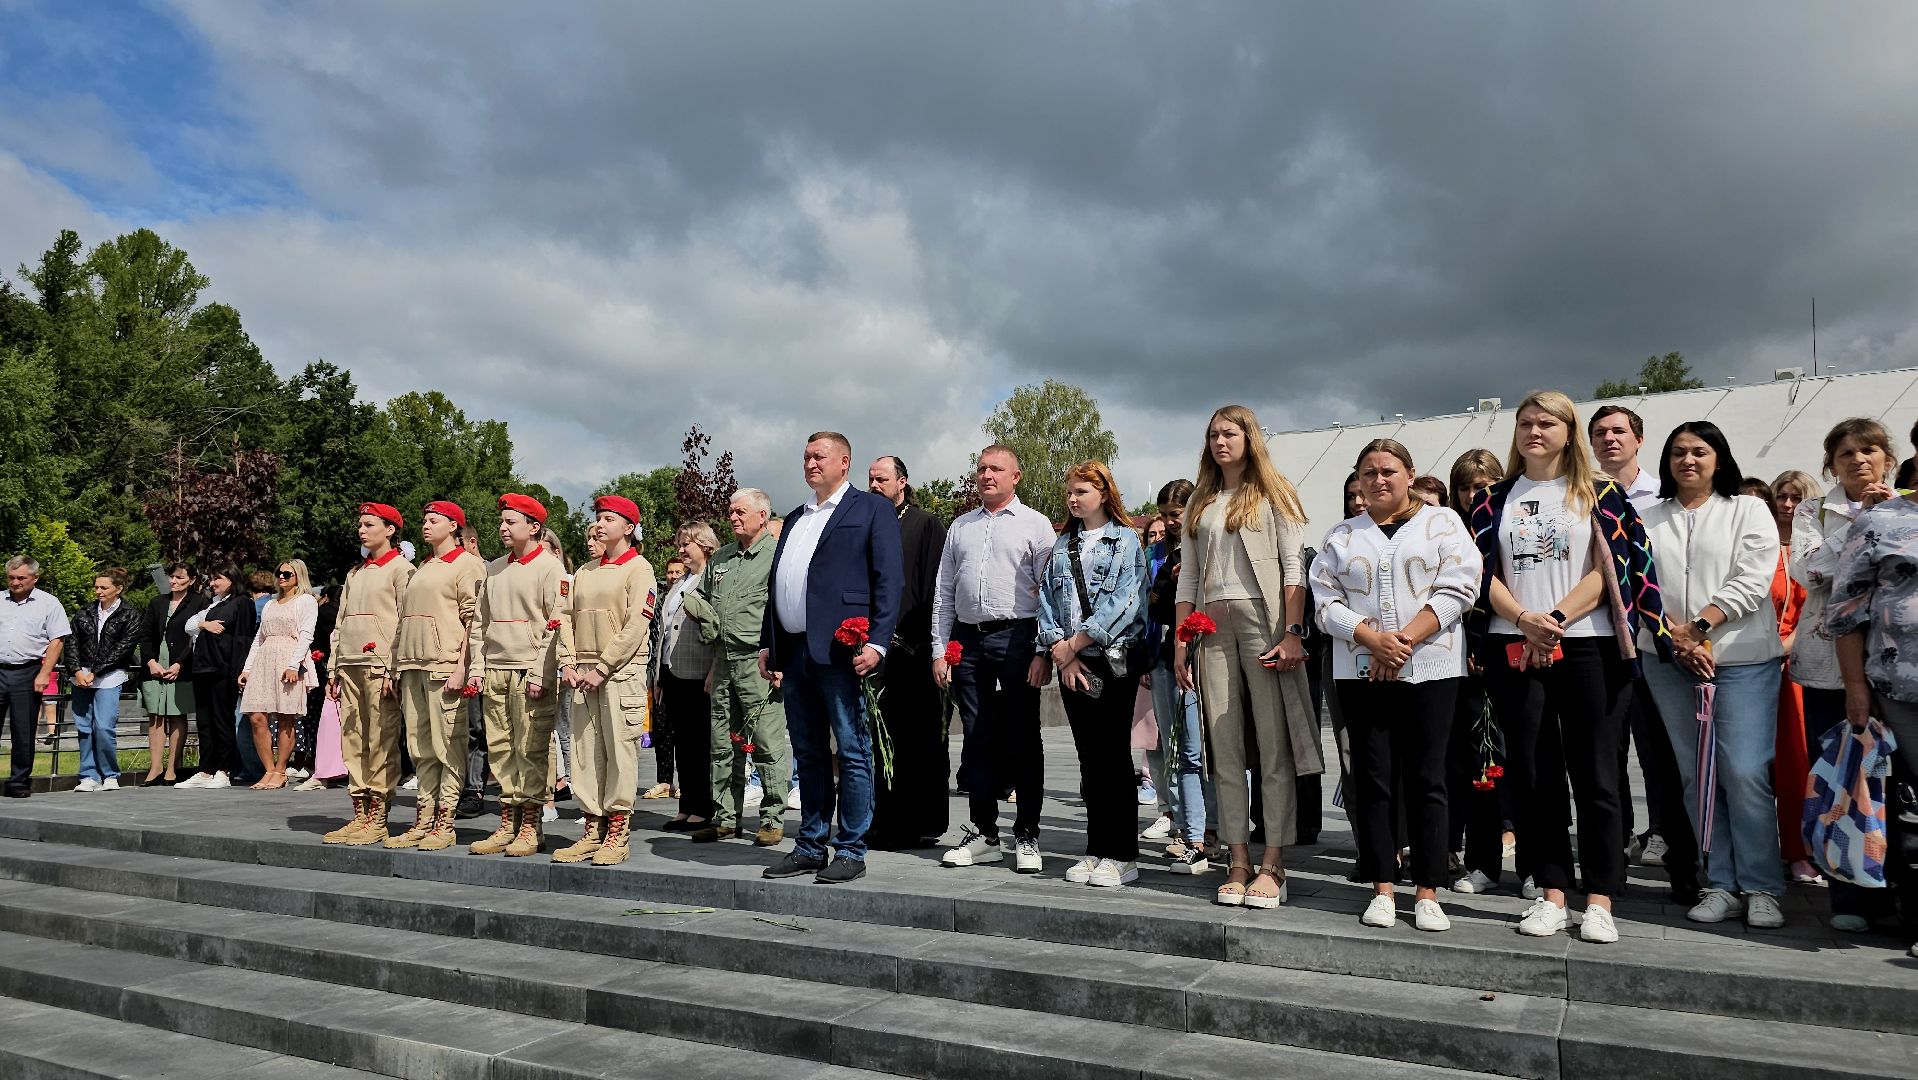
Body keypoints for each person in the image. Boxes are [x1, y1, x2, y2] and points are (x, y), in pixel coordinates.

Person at [1469, 391, 1671, 945]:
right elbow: (1478, 573)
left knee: (1597, 774)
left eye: (1547, 422)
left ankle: (1600, 897)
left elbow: (1615, 568)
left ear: (1568, 430)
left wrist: (1554, 619)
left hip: (1589, 646)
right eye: (1525, 423)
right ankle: (1552, 891)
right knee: (1534, 776)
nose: (1534, 431)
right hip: (1514, 646)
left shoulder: (1601, 493)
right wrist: (1523, 619)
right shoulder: (1491, 499)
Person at [1313, 441, 1481, 931]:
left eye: (1388, 470)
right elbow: (1324, 601)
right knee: (1373, 778)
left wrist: (1402, 642)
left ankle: (1428, 890)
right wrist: (1371, 639)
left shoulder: (1442, 523)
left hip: (1431, 667)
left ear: (1410, 474)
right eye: (1368, 473)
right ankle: (1383, 886)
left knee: (1429, 777)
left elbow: (1460, 586)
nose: (1378, 480)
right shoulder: (1342, 535)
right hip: (1361, 671)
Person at [1174, 404, 1326, 910]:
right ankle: (1237, 858)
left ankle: (1273, 862)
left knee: (1273, 742)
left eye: (1230, 433)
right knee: (1224, 745)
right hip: (1210, 627)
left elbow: (1293, 568)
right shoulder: (1200, 500)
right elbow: (1188, 576)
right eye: (1213, 434)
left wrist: (1293, 632)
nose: (1220, 442)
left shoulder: (1274, 491)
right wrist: (1180, 641)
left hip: (1265, 622)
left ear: (1249, 438)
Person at [1639, 423, 1786, 927]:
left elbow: (1752, 579)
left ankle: (1762, 885)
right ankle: (1721, 882)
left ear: (1719, 458)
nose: (1688, 460)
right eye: (1678, 452)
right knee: (1696, 775)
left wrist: (1699, 628)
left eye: (1699, 452)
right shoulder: (1647, 517)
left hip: (1742, 660)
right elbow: (1637, 586)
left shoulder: (1747, 509)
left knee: (1744, 771)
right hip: (1669, 663)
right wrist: (1673, 640)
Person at [760, 431, 904, 884]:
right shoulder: (796, 517)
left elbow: (889, 579)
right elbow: (779, 583)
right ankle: (810, 845)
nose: (810, 463)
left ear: (844, 462)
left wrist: (877, 642)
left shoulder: (871, 509)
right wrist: (769, 642)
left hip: (843, 650)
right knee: (808, 752)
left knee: (853, 750)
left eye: (819, 456)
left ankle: (851, 848)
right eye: (806, 456)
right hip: (795, 649)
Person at [1789, 418, 1899, 932]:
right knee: (1840, 779)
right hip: (1829, 667)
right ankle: (1848, 895)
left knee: (1896, 782)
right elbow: (1807, 572)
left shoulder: (1908, 507)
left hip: (1897, 665)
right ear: (1831, 465)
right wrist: (1862, 526)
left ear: (1887, 459)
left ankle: (1896, 892)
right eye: (1846, 453)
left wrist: (1886, 515)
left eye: (1869, 450)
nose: (1859, 460)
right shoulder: (1813, 511)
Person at [933, 445, 1057, 873]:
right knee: (976, 736)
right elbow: (944, 592)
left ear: (1015, 476)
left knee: (1024, 736)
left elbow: (1051, 594)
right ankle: (984, 833)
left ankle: (1027, 833)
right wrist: (939, 649)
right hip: (968, 640)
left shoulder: (1036, 524)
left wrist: (1043, 651)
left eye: (996, 469)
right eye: (982, 468)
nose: (987, 475)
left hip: (1018, 635)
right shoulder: (960, 526)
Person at [1591, 406, 1697, 895]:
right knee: (1606, 756)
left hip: (1656, 645)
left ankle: (1677, 855)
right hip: (1601, 645)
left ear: (1639, 439)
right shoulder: (1581, 495)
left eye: (1619, 431)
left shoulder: (1663, 498)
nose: (1609, 439)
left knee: (1663, 756)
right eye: (1599, 433)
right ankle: (1612, 852)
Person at [1040, 461, 1150, 887]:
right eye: (1070, 491)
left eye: (1082, 491)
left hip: (1111, 659)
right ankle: (1096, 847)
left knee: (1113, 755)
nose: (1073, 498)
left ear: (1104, 494)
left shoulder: (1124, 541)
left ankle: (1122, 854)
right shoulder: (1063, 543)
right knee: (1088, 756)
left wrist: (1076, 643)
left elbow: (1127, 601)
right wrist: (1062, 653)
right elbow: (1047, 600)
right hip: (1071, 661)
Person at [1826, 462, 1918, 958]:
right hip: (1900, 688)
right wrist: (1855, 687)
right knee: (1910, 807)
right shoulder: (1880, 521)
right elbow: (1846, 612)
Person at [551, 495, 657, 865]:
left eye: (608, 518)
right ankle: (592, 827)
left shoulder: (639, 569)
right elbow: (564, 616)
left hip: (619, 674)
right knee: (584, 754)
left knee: (619, 752)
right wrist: (568, 661)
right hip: (582, 673)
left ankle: (617, 832)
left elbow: (636, 624)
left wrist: (603, 667)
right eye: (598, 517)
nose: (599, 524)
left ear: (628, 527)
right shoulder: (584, 571)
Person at [683, 490, 790, 846]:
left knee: (766, 743)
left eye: (741, 511)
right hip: (723, 661)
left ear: (763, 516)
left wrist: (781, 660)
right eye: (731, 511)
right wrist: (704, 619)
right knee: (722, 743)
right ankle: (726, 818)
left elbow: (787, 609)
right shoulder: (722, 557)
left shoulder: (778, 555)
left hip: (759, 663)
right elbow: (701, 599)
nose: (733, 517)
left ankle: (772, 819)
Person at [467, 494, 568, 857]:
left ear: (534, 527)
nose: (503, 528)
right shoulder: (494, 568)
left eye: (511, 522)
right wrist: (477, 668)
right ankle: (508, 822)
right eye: (502, 522)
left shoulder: (550, 568)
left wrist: (542, 671)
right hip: (496, 669)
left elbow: (556, 625)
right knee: (501, 750)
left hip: (530, 672)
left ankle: (531, 826)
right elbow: (480, 624)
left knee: (531, 749)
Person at [384, 501, 485, 851]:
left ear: (454, 526)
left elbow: (474, 621)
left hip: (444, 666)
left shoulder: (467, 564)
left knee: (448, 746)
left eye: (434, 520)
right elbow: (404, 620)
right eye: (424, 520)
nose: (425, 525)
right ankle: (424, 817)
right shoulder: (422, 567)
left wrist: (462, 667)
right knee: (420, 747)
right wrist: (396, 665)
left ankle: (446, 820)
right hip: (413, 665)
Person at [867, 455, 951, 849]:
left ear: (902, 482)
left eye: (882, 479)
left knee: (916, 740)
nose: (874, 485)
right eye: (870, 479)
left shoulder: (924, 524)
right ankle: (882, 820)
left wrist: (932, 645)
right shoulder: (866, 522)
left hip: (913, 650)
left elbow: (937, 589)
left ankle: (918, 823)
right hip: (872, 649)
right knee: (878, 738)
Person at [322, 504, 415, 840]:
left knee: (380, 740)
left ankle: (378, 815)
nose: (362, 531)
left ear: (390, 530)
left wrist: (393, 667)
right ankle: (360, 812)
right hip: (349, 663)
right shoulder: (355, 573)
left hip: (379, 665)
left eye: (369, 524)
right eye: (360, 525)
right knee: (353, 739)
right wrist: (333, 667)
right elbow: (341, 622)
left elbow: (405, 621)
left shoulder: (402, 570)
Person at [1444, 450, 1510, 893]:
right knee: (1478, 764)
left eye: (1482, 486)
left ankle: (1539, 866)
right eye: (1465, 487)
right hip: (1463, 662)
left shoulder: (1509, 524)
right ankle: (1482, 862)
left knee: (1525, 759)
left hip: (1513, 650)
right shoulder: (1448, 530)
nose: (1473, 495)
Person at [1143, 479, 1213, 872]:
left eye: (1176, 514)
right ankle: (1187, 828)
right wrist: (1168, 581)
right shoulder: (1159, 554)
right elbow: (1152, 607)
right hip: (1167, 654)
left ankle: (1215, 827)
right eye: (1165, 515)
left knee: (1210, 749)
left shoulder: (1209, 543)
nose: (1171, 522)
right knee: (1179, 747)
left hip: (1209, 653)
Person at [1766, 470, 1824, 886]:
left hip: (1797, 667)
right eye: (1781, 496)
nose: (1787, 505)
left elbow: (1818, 609)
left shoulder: (1815, 548)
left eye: (1796, 498)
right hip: (1752, 661)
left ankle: (1800, 851)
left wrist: (1785, 646)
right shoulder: (1759, 545)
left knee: (1796, 763)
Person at [656, 522, 720, 831]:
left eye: (687, 544)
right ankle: (687, 805)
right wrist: (658, 676)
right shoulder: (681, 581)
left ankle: (703, 807)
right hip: (672, 671)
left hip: (699, 672)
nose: (681, 549)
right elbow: (666, 629)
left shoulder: (713, 578)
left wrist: (714, 669)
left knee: (699, 742)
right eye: (680, 544)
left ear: (704, 545)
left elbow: (718, 626)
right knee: (681, 741)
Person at [237, 560, 319, 789]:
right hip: (264, 658)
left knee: (286, 717)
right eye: (279, 573)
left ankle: (280, 770)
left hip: (288, 657)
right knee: (256, 716)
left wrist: (294, 664)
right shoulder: (271, 604)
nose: (281, 577)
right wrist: (247, 668)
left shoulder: (305, 601)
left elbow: (306, 635)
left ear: (298, 576)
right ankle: (269, 769)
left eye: (287, 573)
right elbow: (259, 637)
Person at [181, 565, 257, 789]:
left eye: (218, 579)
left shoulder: (242, 602)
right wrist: (204, 624)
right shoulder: (213, 604)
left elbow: (243, 638)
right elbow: (189, 625)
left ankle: (224, 769)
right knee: (204, 721)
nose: (213, 583)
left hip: (223, 669)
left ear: (232, 579)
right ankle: (206, 769)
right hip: (202, 668)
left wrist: (239, 670)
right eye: (212, 579)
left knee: (222, 720)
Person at [68, 568, 141, 792]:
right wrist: (76, 670)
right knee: (84, 727)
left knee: (103, 726)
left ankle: (109, 774)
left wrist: (96, 672)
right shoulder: (84, 612)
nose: (98, 591)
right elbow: (72, 642)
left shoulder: (129, 614)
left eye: (104, 587)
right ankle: (88, 775)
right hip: (82, 677)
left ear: (118, 589)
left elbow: (123, 648)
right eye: (96, 587)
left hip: (110, 676)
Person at [2, 556, 69, 798]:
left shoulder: (49, 603)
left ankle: (18, 783)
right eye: (11, 577)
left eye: (21, 577)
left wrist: (44, 673)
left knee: (24, 730)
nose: (15, 582)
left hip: (28, 671)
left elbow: (57, 640)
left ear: (35, 578)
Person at [139, 563, 207, 785]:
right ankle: (155, 767)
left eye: (179, 577)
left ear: (192, 580)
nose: (173, 581)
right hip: (155, 664)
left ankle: (172, 768)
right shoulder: (157, 602)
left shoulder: (199, 602)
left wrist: (180, 664)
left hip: (182, 666)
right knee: (156, 715)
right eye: (171, 577)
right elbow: (145, 634)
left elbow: (196, 637)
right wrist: (150, 661)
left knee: (177, 715)